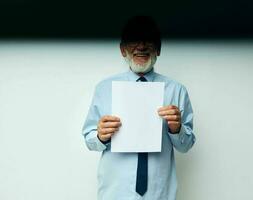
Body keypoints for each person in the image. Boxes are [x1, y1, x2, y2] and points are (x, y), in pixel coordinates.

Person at [82, 15, 196, 200]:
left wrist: (177, 129)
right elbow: (89, 139)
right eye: (134, 40)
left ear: (158, 49)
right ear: (122, 49)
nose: (141, 46)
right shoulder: (104, 88)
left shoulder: (176, 90)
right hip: (115, 192)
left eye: (149, 41)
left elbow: (187, 145)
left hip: (160, 192)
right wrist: (100, 136)